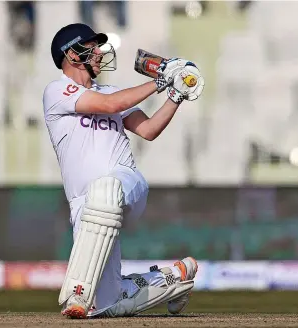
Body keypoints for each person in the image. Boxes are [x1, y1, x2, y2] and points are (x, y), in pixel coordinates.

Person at [43, 23, 204, 319]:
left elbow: (149, 129)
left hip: (125, 182)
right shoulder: (57, 91)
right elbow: (109, 104)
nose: (99, 53)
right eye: (91, 46)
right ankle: (176, 277)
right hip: (86, 207)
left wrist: (176, 95)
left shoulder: (112, 91)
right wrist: (162, 82)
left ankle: (77, 291)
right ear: (71, 53)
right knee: (108, 304)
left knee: (105, 190)